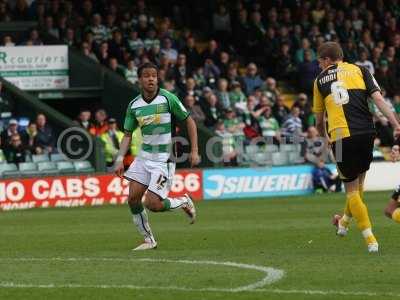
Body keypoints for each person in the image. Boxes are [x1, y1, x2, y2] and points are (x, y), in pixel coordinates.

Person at [313, 42, 400, 253]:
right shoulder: (361, 70)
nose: (319, 66)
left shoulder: (319, 81)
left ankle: (370, 239)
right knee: (359, 183)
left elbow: (318, 119)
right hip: (367, 132)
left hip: (342, 135)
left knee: (350, 189)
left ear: (326, 60)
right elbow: (378, 99)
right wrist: (396, 123)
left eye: (319, 62)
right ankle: (343, 223)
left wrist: (325, 139)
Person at [113, 62, 199, 251]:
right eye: (146, 75)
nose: (151, 78)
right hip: (144, 158)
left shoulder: (168, 99)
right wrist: (120, 158)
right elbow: (127, 135)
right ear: (140, 79)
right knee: (133, 199)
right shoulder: (134, 105)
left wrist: (194, 150)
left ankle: (184, 200)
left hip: (163, 159)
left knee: (153, 204)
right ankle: (149, 240)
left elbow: (190, 122)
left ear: (157, 78)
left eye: (154, 75)